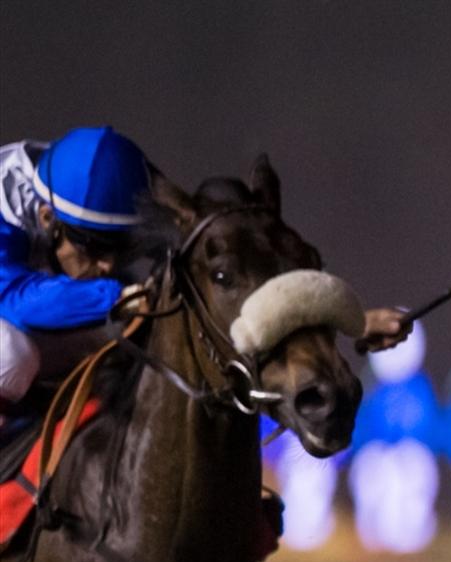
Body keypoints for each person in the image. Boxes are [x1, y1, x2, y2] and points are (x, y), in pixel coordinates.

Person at [0, 126, 411, 426]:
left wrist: (350, 322)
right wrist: (121, 296)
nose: (108, 264)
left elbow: (218, 290)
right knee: (14, 355)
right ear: (47, 217)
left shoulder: (101, 187)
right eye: (94, 247)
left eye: (121, 246)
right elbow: (16, 299)